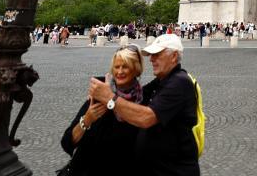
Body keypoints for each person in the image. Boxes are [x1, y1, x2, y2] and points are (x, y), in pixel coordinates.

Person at [89, 33, 200, 175]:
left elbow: (146, 118)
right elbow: (135, 95)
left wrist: (109, 98)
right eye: (151, 55)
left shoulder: (179, 82)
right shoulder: (162, 80)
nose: (151, 59)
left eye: (157, 55)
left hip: (175, 171)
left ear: (174, 56)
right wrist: (107, 86)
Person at [60, 47, 143, 175]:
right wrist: (87, 120)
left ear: (136, 69)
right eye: (116, 67)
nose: (120, 71)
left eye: (125, 67)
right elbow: (67, 143)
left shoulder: (143, 101)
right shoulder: (98, 95)